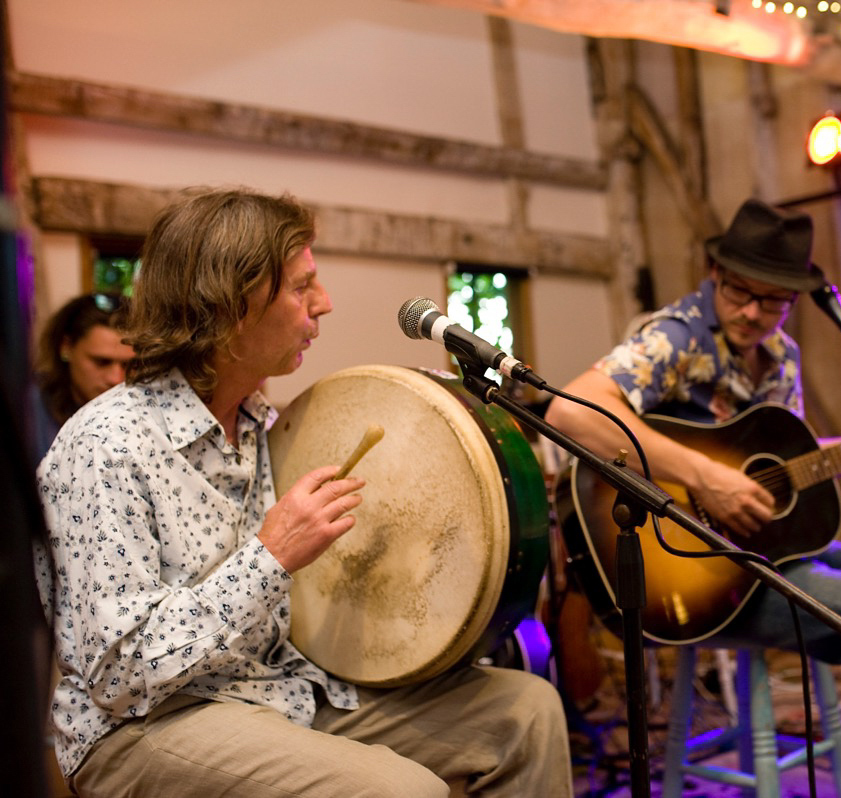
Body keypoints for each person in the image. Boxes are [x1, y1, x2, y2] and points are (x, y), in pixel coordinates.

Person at [35, 187, 571, 798]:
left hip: (274, 687)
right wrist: (269, 556)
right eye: (300, 286)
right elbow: (119, 672)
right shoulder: (106, 445)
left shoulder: (262, 426)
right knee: (398, 791)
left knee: (524, 712)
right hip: (144, 725)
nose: (325, 304)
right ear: (229, 305)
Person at [544, 198, 841, 798]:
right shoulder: (676, 336)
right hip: (696, 573)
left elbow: (787, 457)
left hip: (771, 553)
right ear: (715, 277)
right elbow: (571, 411)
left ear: (795, 300)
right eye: (738, 293)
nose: (752, 313)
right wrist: (703, 476)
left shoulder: (782, 354)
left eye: (771, 301)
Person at [30, 291, 134, 460]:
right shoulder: (30, 410)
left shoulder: (140, 412)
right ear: (66, 347)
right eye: (102, 362)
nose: (116, 379)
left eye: (129, 365)